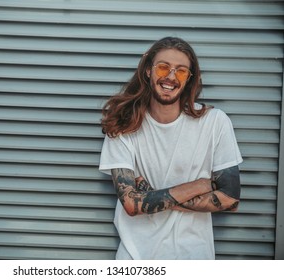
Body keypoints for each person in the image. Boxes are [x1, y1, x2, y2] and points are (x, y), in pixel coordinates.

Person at [99, 37, 243, 260]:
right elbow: (130, 203)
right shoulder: (124, 124)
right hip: (135, 256)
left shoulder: (215, 122)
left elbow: (230, 198)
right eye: (163, 67)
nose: (171, 77)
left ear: (189, 79)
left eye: (182, 71)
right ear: (148, 71)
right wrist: (199, 185)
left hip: (194, 256)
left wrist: (149, 197)